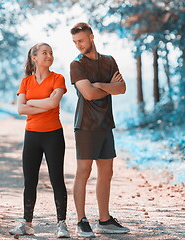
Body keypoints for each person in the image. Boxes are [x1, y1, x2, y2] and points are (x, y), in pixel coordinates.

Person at [69, 22, 130, 238]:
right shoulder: (76, 65)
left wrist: (99, 85)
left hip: (105, 124)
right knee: (83, 172)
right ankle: (81, 221)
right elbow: (89, 95)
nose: (78, 45)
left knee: (107, 172)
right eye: (75, 42)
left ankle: (104, 220)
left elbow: (121, 88)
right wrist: (106, 86)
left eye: (81, 40)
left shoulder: (109, 61)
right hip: (85, 125)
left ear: (91, 37)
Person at [9, 43, 70, 238]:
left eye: (51, 53)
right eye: (44, 53)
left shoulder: (58, 78)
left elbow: (54, 103)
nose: (49, 55)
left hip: (53, 135)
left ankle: (61, 224)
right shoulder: (26, 81)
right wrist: (42, 104)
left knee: (57, 179)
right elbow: (20, 109)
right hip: (32, 136)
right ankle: (27, 223)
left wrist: (31, 102)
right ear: (34, 57)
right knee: (30, 181)